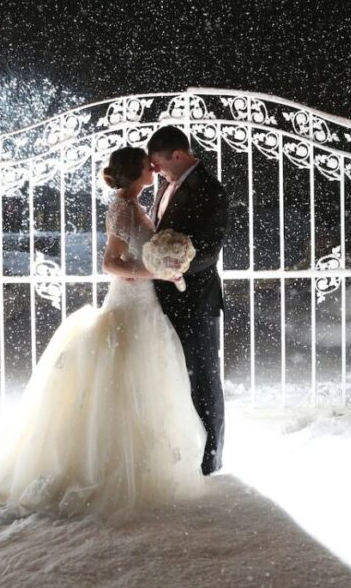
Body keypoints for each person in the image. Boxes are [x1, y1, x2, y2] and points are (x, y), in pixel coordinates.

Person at [0, 147, 206, 518]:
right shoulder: (121, 206)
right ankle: (107, 469)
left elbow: (137, 253)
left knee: (146, 384)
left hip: (145, 303)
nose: (154, 168)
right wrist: (157, 272)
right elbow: (110, 263)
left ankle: (145, 463)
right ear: (137, 172)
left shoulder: (134, 203)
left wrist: (163, 263)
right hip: (127, 303)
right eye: (147, 165)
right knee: (122, 385)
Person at [146, 125, 229, 476]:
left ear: (177, 156)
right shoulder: (166, 185)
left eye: (159, 165)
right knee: (174, 377)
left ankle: (211, 458)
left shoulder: (210, 190)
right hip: (164, 300)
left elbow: (209, 249)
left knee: (203, 379)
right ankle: (181, 450)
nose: (156, 173)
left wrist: (176, 265)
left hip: (195, 300)